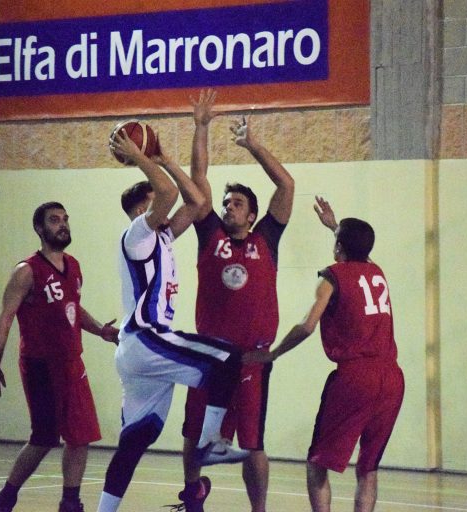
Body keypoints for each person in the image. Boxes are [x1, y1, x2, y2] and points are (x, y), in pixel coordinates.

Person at [97, 122, 249, 512]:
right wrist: (139, 157)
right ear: (142, 210)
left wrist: (164, 159)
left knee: (135, 441)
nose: (164, 206)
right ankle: (210, 443)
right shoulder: (138, 235)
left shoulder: (162, 236)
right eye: (155, 203)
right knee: (228, 357)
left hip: (140, 350)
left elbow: (197, 202)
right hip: (147, 337)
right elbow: (167, 192)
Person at [245, 197, 405, 512]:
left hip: (355, 377)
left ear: (338, 246)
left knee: (317, 463)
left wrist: (273, 354)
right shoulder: (377, 272)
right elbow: (359, 253)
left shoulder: (333, 275)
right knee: (368, 468)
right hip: (392, 378)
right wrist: (336, 227)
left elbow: (307, 326)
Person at [180, 89, 295, 512]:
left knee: (252, 444)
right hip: (210, 357)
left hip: (251, 359)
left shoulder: (267, 240)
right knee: (194, 435)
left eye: (237, 203)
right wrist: (201, 127)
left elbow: (286, 184)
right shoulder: (210, 235)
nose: (229, 207)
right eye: (227, 203)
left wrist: (253, 145)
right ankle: (193, 497)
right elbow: (198, 181)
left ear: (252, 215)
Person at [0, 202, 120, 512]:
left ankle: (70, 502)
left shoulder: (74, 265)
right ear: (40, 228)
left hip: (73, 363)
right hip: (41, 365)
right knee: (44, 438)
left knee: (80, 436)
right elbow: (6, 318)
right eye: (55, 220)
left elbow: (72, 308)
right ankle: (6, 497)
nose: (63, 225)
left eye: (65, 219)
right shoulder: (27, 270)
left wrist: (100, 330)